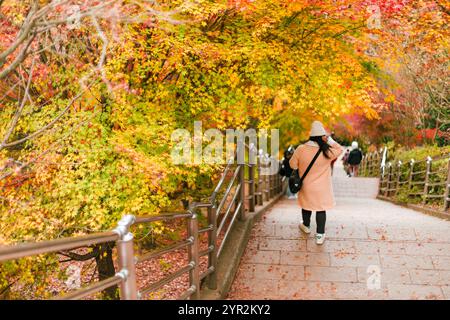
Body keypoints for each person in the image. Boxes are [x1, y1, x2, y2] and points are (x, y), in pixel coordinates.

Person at [289, 121, 343, 245]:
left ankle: (306, 226)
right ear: (322, 136)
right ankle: (319, 235)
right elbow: (340, 149)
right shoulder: (326, 151)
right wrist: (329, 140)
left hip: (306, 186)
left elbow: (292, 164)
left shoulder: (301, 149)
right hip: (322, 188)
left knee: (307, 205)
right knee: (321, 209)